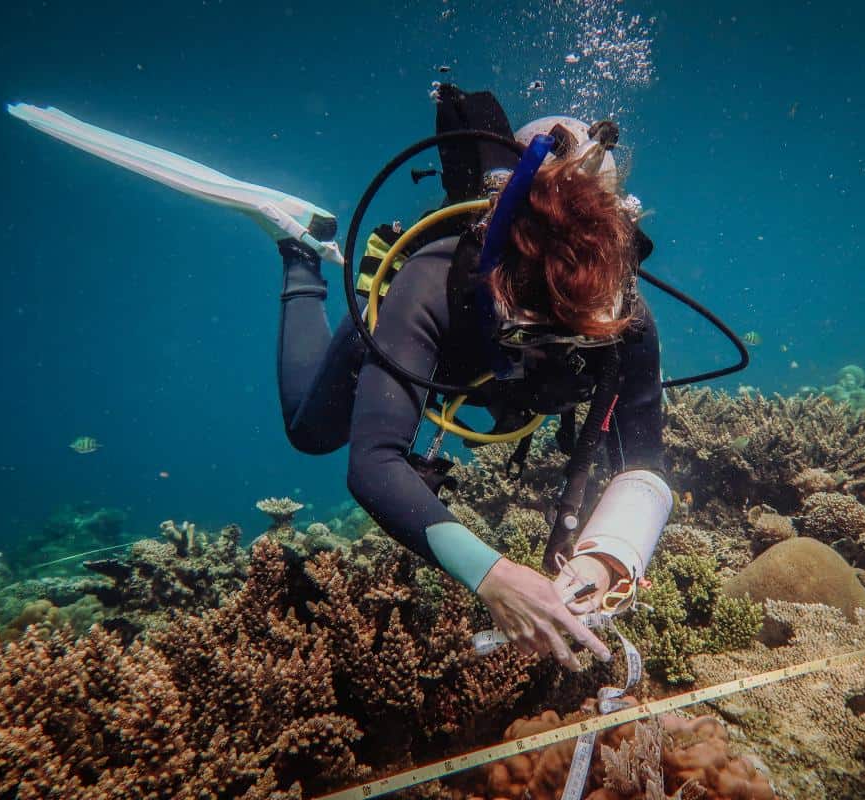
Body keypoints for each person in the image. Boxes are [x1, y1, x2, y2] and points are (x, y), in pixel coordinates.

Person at [275, 99, 674, 673]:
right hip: (429, 346)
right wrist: (494, 575)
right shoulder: (434, 280)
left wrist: (606, 559)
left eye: (577, 336)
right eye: (533, 330)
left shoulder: (627, 314)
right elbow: (373, 463)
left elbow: (645, 464)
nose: (549, 350)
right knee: (310, 432)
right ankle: (302, 256)